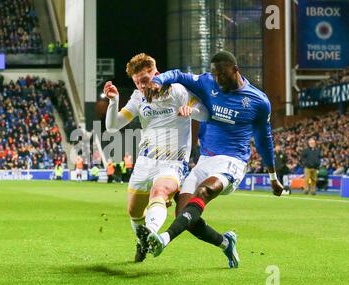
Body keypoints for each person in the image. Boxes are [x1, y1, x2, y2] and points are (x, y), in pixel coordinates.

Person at [143, 50, 284, 268]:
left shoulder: (258, 101)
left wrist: (273, 177)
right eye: (215, 75)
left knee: (204, 192)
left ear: (235, 71)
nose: (218, 80)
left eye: (222, 75)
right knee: (185, 217)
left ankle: (164, 239)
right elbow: (178, 75)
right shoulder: (208, 82)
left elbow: (264, 139)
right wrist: (158, 80)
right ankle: (225, 243)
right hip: (204, 161)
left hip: (232, 161)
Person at [104, 53, 208, 262]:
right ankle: (142, 241)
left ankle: (150, 233)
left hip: (173, 160)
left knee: (159, 191)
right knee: (134, 211)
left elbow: (205, 114)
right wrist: (114, 101)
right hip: (146, 161)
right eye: (137, 82)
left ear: (156, 73)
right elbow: (112, 126)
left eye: (144, 80)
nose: (142, 86)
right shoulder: (138, 97)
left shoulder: (178, 91)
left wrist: (191, 110)